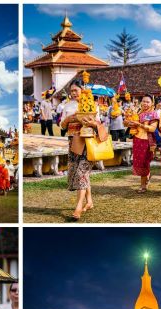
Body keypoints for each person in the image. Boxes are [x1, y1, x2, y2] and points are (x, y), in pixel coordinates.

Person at [59, 80, 104, 221]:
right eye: (71, 91)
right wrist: (68, 119)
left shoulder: (91, 104)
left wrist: (91, 123)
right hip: (73, 142)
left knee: (81, 173)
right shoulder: (67, 106)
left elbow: (99, 124)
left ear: (82, 90)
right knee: (79, 173)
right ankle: (89, 201)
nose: (73, 93)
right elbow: (62, 126)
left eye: (76, 90)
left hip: (87, 142)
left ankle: (78, 207)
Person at [125, 94, 158, 193]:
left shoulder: (153, 114)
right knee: (139, 162)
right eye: (143, 101)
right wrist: (127, 123)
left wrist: (139, 124)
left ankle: (143, 185)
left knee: (144, 162)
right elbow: (127, 122)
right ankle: (146, 177)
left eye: (148, 102)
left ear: (152, 103)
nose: (145, 103)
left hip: (147, 141)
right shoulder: (138, 112)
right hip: (137, 140)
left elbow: (152, 128)